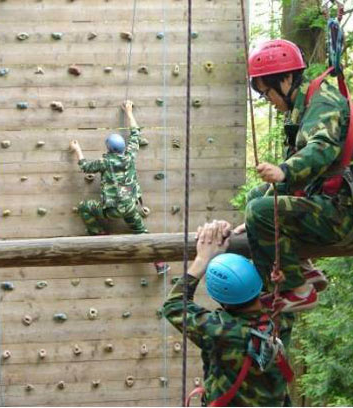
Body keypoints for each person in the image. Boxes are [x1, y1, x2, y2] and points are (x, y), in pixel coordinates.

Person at [236, 39, 353, 312]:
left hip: (349, 214)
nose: (268, 101)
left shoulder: (322, 105)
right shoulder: (307, 105)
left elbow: (321, 149)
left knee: (260, 211)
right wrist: (250, 218)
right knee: (256, 199)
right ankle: (303, 268)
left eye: (267, 92)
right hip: (339, 201)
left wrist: (283, 171)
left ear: (285, 80)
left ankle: (297, 288)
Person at [162, 221, 294, 407]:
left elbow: (173, 305)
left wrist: (202, 260)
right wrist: (260, 225)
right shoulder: (283, 315)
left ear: (219, 297)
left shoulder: (219, 330)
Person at [69, 100, 170, 275]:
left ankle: (99, 234)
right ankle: (160, 263)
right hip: (130, 206)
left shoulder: (105, 162)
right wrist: (129, 111)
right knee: (142, 233)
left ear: (108, 149)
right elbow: (136, 134)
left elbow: (85, 166)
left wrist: (77, 149)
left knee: (85, 207)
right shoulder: (130, 156)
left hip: (111, 210)